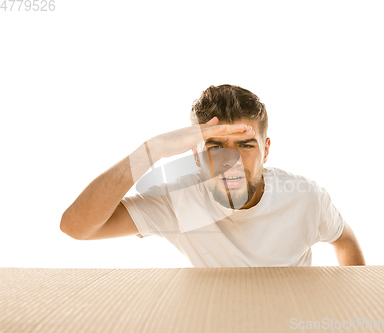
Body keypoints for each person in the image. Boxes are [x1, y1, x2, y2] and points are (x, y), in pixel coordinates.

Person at [60, 84, 366, 267]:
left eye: (245, 145)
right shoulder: (179, 202)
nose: (230, 161)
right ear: (195, 154)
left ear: (267, 149)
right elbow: (77, 227)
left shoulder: (305, 199)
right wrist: (151, 150)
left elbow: (345, 242)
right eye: (216, 147)